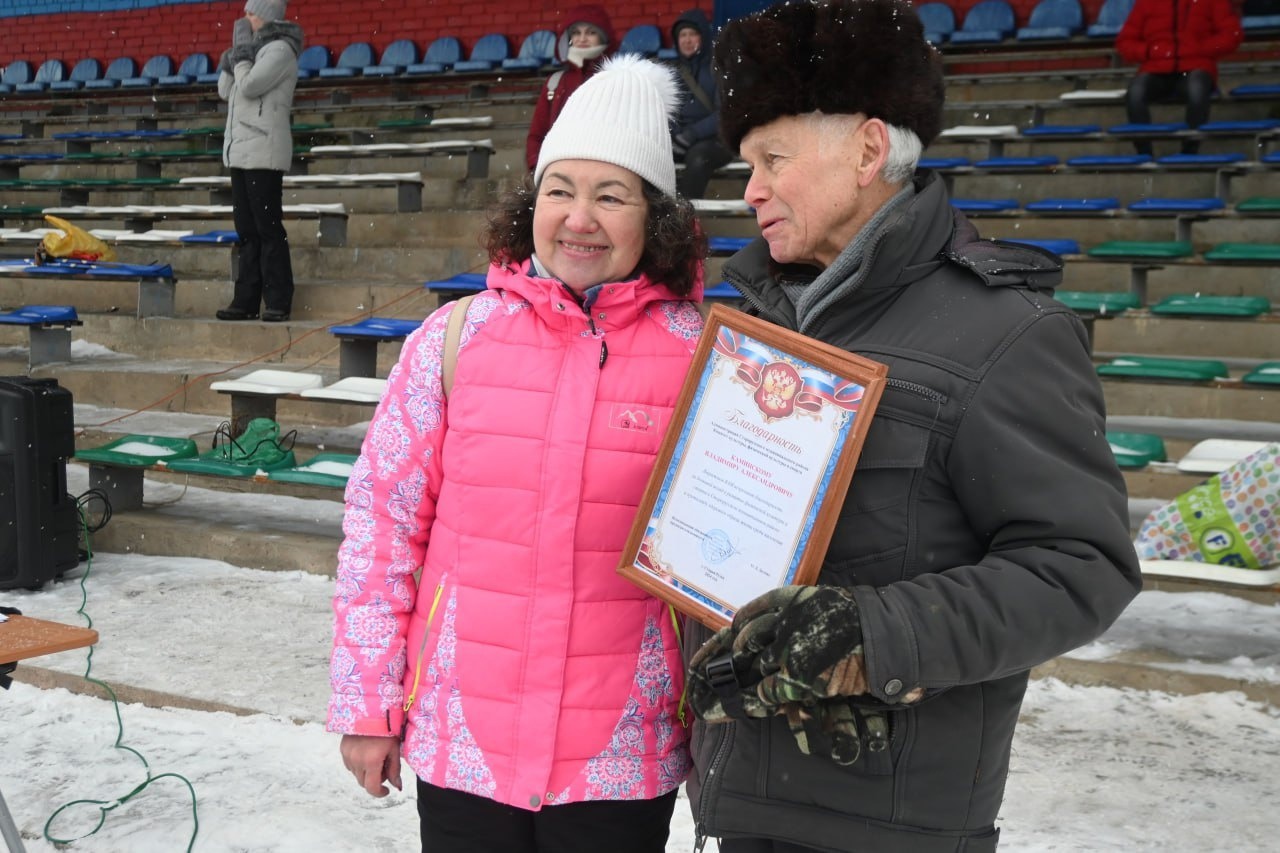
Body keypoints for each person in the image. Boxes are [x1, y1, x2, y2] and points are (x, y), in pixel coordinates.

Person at [679, 2, 1143, 851]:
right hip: (743, 798)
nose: (747, 190)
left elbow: (1083, 567)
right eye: (746, 164)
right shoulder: (760, 328)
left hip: (888, 824)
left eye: (770, 160)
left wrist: (868, 635)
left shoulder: (1008, 334)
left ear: (865, 150)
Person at [328, 55, 708, 853]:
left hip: (620, 755)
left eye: (612, 195)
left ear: (655, 218)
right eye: (561, 190)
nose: (580, 218)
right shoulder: (453, 339)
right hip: (466, 741)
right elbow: (381, 529)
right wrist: (368, 703)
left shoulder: (703, 357)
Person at [215, 0, 301, 322]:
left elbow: (249, 86)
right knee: (246, 230)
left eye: (252, 13)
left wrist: (241, 56)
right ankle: (245, 300)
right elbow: (227, 91)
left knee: (268, 228)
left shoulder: (280, 50)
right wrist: (232, 58)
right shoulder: (250, 51)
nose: (245, 18)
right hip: (240, 149)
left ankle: (278, 299)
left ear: (267, 17)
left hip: (264, 150)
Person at [1117, 0, 1243, 156]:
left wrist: (1201, 49)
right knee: (1136, 91)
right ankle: (1144, 154)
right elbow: (1125, 41)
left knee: (1197, 88)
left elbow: (1232, 35)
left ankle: (1189, 152)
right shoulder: (1146, 2)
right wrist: (1150, 51)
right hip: (1156, 68)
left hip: (1196, 66)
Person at [525, 5, 615, 173]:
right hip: (558, 172)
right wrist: (537, 167)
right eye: (576, 32)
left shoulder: (616, 79)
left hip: (600, 171)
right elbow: (536, 135)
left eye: (591, 32)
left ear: (603, 37)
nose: (582, 38)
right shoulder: (555, 82)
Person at [668, 8, 733, 199]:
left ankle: (684, 215)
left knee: (698, 158)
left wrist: (691, 134)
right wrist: (673, 136)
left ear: (703, 37)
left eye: (693, 34)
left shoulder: (719, 68)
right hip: (678, 141)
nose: (687, 40)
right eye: (683, 35)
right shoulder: (670, 72)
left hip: (715, 142)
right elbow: (663, 110)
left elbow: (725, 113)